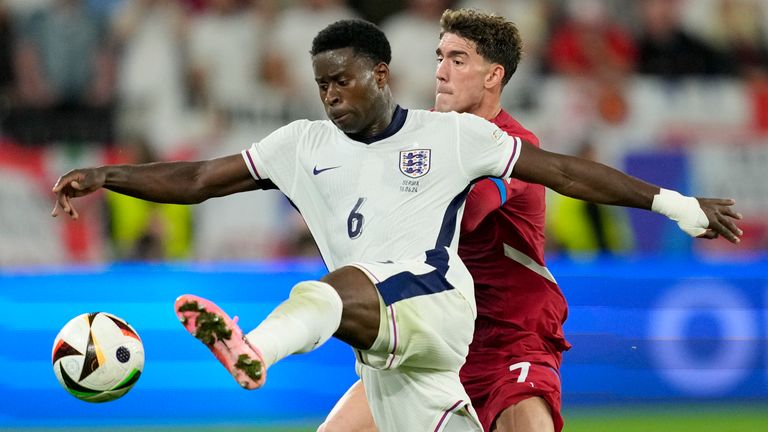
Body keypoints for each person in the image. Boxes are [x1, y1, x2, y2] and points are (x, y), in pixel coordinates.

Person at [52, 19, 742, 432]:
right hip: (386, 347)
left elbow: (564, 172)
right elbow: (200, 180)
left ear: (381, 74)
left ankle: (252, 347)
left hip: (439, 308)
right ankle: (259, 348)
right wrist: (111, 175)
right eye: (321, 84)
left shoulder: (452, 138)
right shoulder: (301, 146)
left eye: (343, 81)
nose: (330, 95)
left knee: (332, 288)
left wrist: (678, 207)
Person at [315, 9, 739, 432]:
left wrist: (676, 204)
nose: (441, 72)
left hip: (508, 337)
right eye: (439, 57)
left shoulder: (510, 144)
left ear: (493, 76)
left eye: (458, 60)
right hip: (433, 340)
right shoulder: (414, 137)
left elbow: (464, 212)